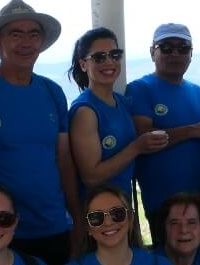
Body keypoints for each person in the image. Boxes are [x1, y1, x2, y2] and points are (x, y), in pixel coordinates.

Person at [0, 1, 78, 265]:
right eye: (16, 34)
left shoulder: (53, 92)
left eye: (33, 34)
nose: (26, 42)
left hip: (53, 226)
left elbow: (64, 160)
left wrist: (77, 218)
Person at [128, 24, 200, 241]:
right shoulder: (140, 89)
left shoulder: (197, 91)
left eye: (183, 48)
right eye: (166, 47)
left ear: (191, 53)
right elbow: (144, 136)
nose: (175, 54)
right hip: (165, 206)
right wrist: (194, 131)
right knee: (169, 262)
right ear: (152, 52)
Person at [67, 27, 166, 207]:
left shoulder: (122, 102)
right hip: (98, 211)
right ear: (83, 64)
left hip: (122, 204)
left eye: (115, 55)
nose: (109, 62)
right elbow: (91, 177)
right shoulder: (85, 111)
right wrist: (137, 147)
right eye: (99, 57)